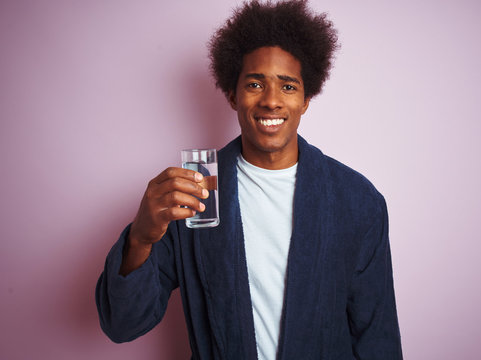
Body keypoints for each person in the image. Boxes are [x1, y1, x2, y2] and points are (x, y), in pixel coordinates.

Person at [95, 0, 403, 359]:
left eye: (288, 87)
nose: (271, 101)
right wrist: (141, 237)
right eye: (255, 84)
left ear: (306, 98)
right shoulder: (194, 193)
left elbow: (376, 336)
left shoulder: (357, 201)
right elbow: (122, 324)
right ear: (232, 94)